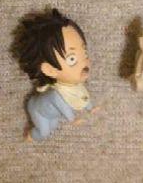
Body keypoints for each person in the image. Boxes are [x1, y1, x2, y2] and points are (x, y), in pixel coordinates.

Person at [13, 9, 97, 142]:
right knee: (44, 131)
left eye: (84, 53)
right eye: (72, 59)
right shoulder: (56, 95)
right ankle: (31, 136)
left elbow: (83, 96)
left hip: (51, 113)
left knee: (53, 124)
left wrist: (90, 107)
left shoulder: (75, 85)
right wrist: (73, 119)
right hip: (38, 111)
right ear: (49, 70)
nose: (84, 63)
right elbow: (65, 108)